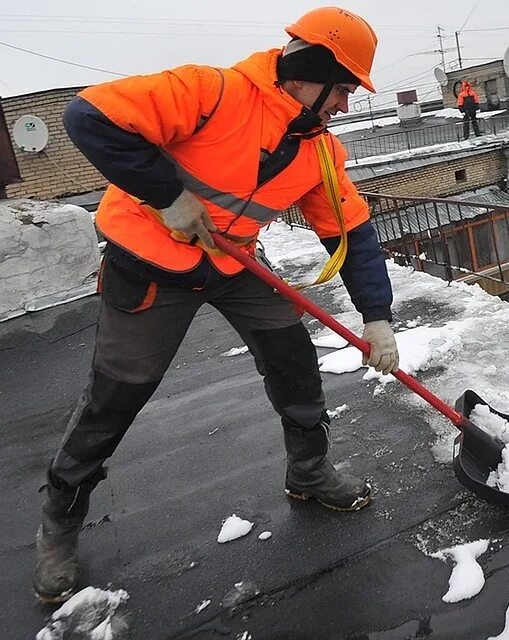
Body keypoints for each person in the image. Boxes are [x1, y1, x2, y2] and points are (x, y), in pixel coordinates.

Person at [34, 6, 400, 604]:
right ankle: (60, 523)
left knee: (293, 358)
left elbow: (350, 234)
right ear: (311, 72)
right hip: (149, 262)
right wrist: (168, 195)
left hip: (234, 265)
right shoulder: (211, 92)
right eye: (342, 90)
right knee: (117, 393)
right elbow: (88, 116)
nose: (345, 105)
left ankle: (308, 472)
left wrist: (377, 318)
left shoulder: (318, 150)